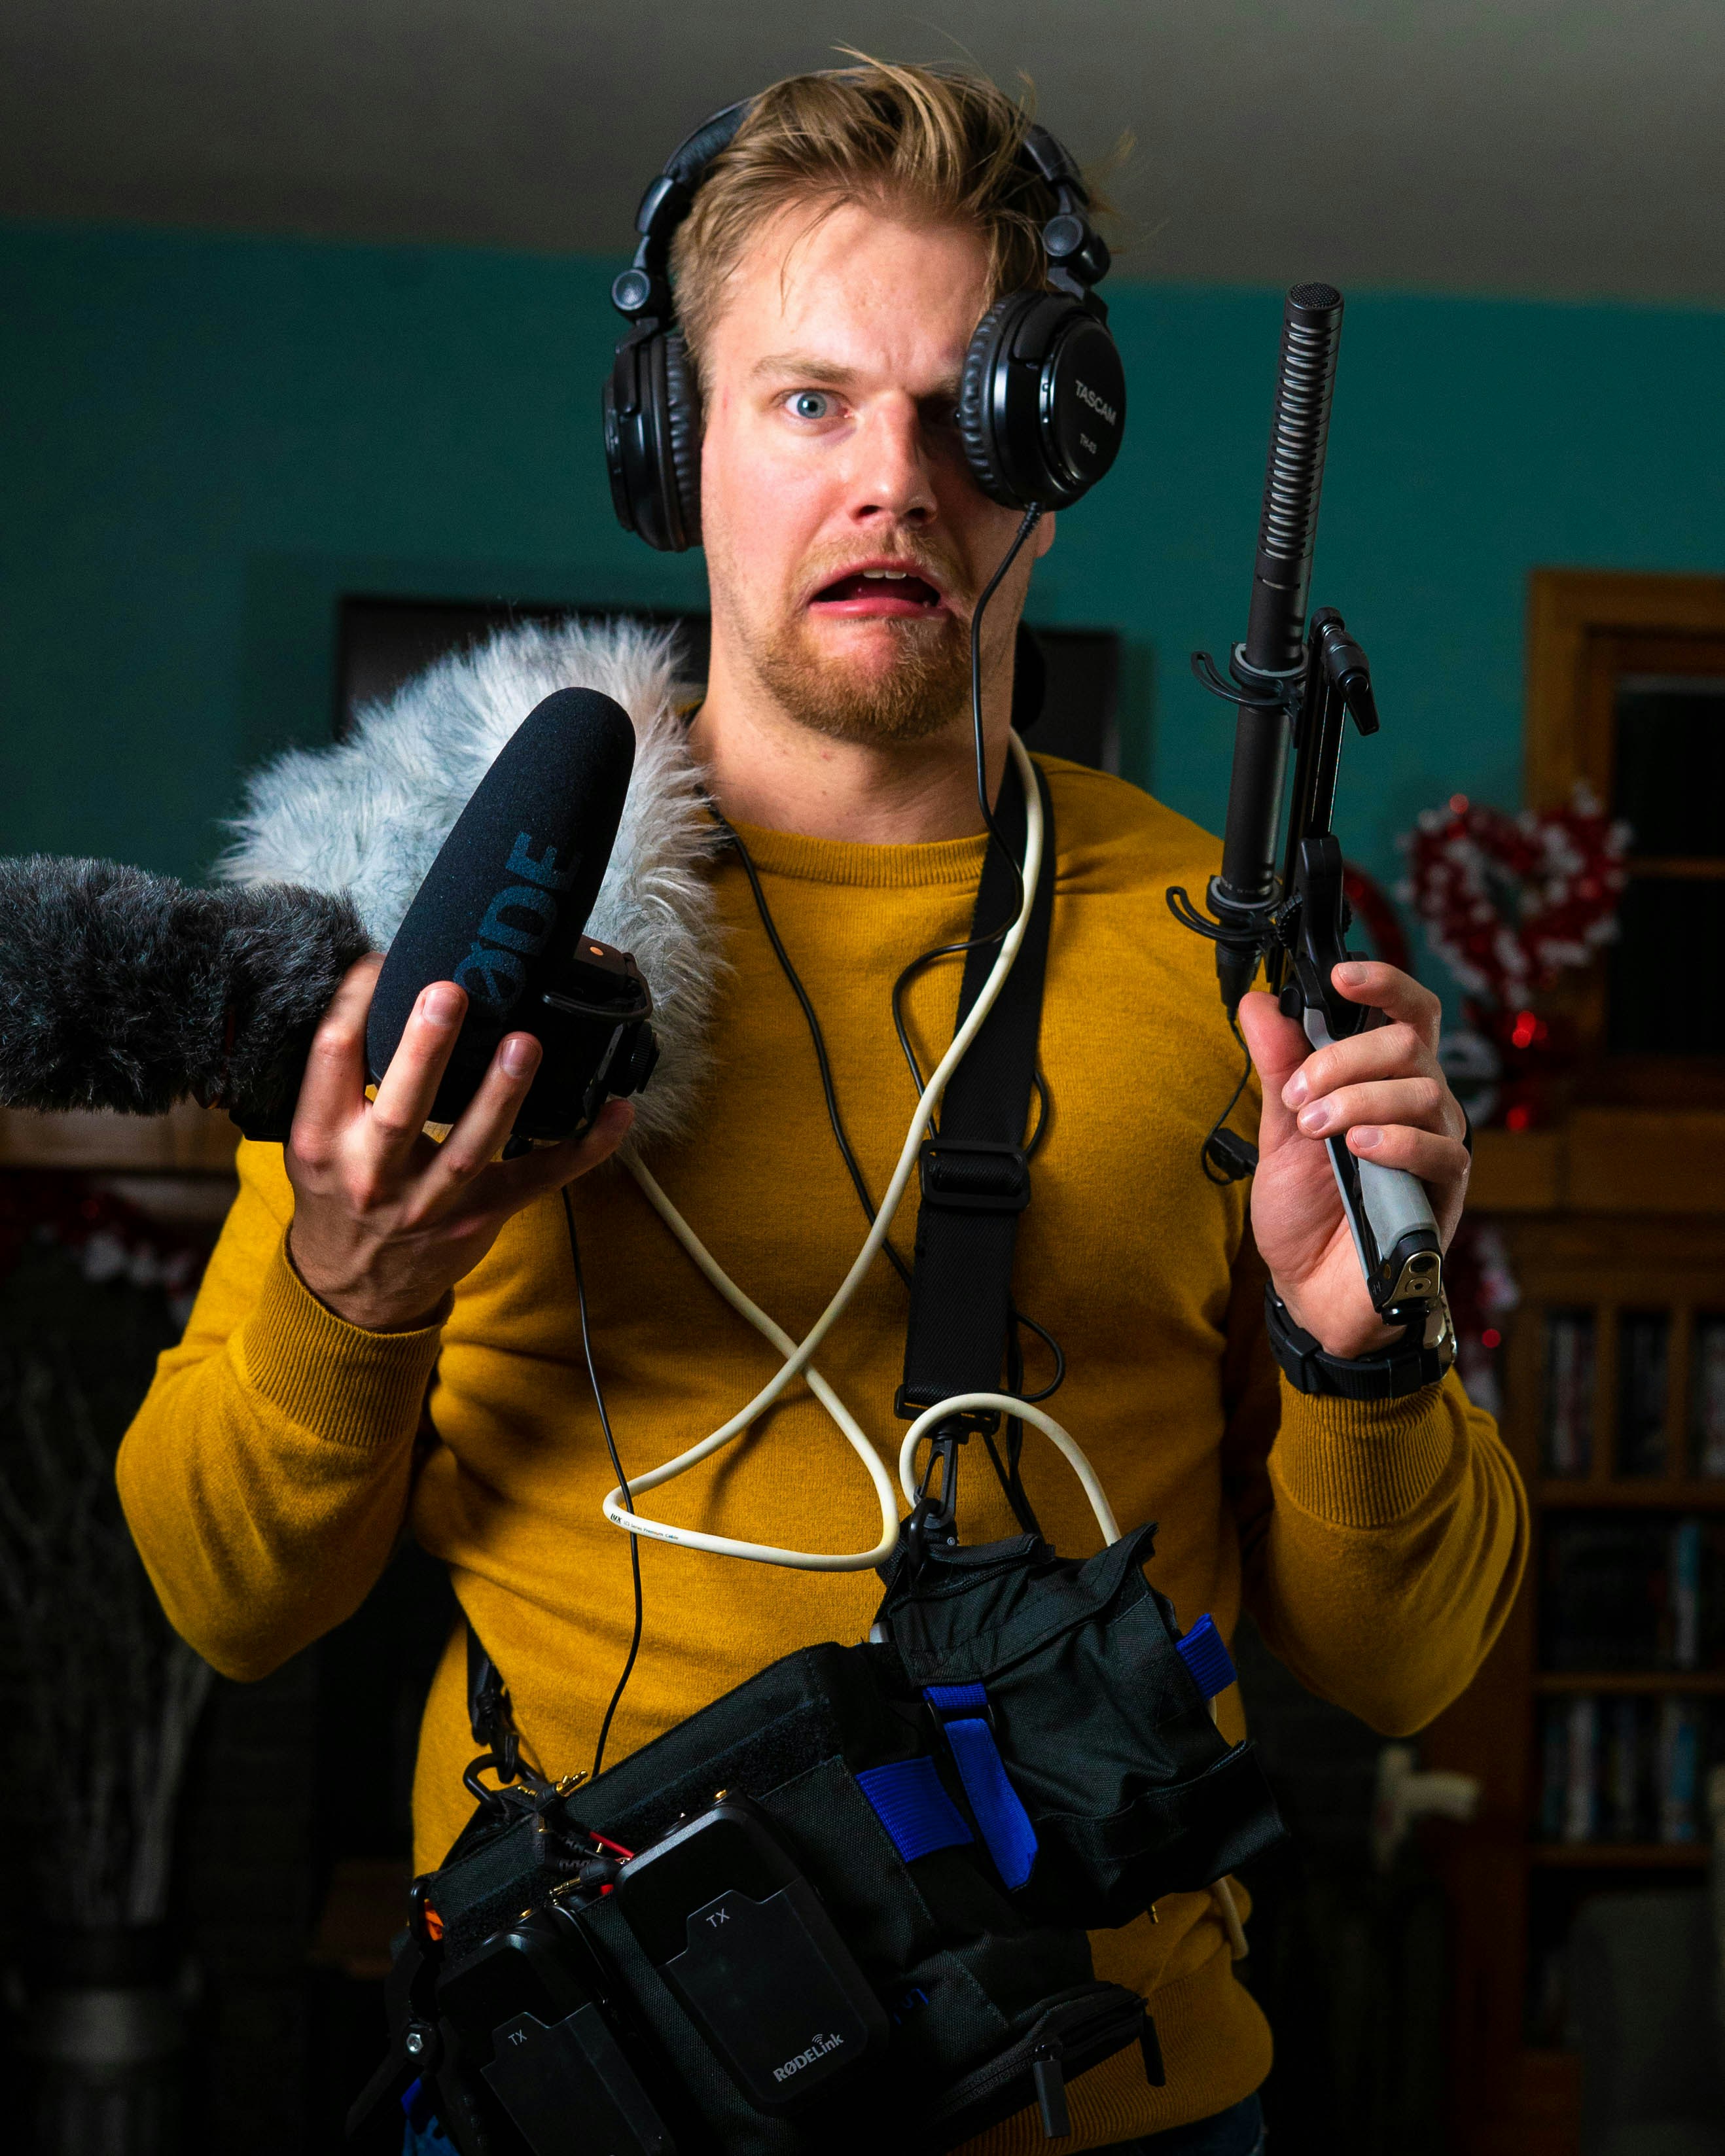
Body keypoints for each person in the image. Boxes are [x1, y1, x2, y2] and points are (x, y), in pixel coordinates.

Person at [118, 58, 1526, 2155]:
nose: (894, 484)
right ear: (669, 449)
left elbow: (1405, 1673)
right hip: (587, 2093)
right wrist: (350, 1284)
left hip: (1122, 2110)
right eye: (807, 402)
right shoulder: (445, 916)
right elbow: (227, 1598)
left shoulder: (1228, 956)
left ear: (1058, 452)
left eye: (966, 409)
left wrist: (1364, 1357)